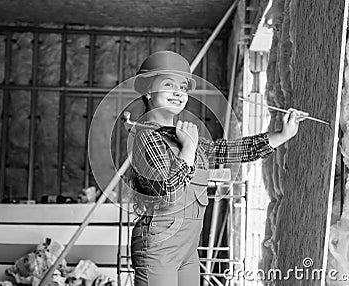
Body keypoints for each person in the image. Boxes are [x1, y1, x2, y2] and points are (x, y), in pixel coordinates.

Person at [126, 51, 307, 286]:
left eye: (182, 87)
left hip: (188, 247)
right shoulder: (146, 137)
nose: (178, 93)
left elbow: (231, 151)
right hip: (158, 244)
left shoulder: (188, 137)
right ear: (149, 90)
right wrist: (188, 148)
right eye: (168, 84)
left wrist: (283, 135)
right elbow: (168, 191)